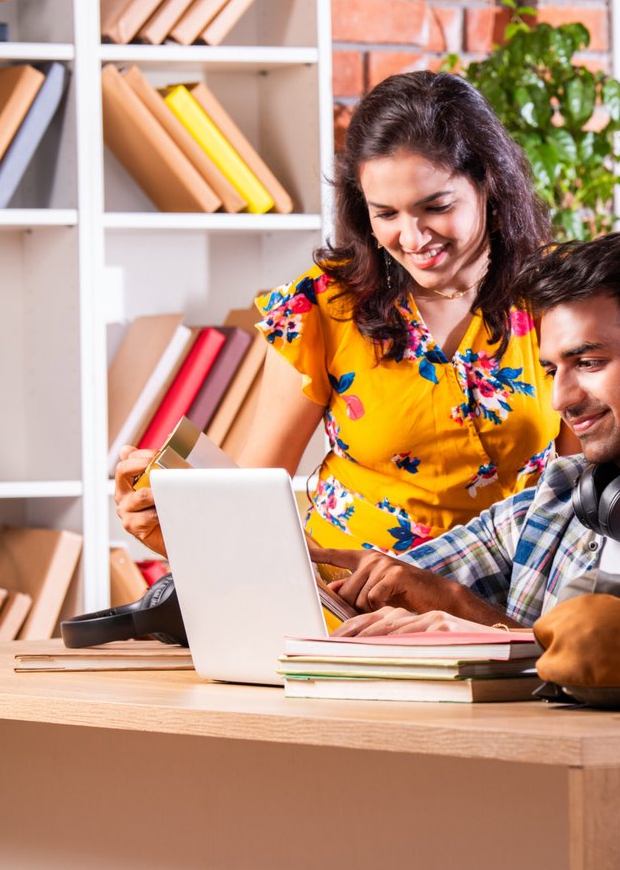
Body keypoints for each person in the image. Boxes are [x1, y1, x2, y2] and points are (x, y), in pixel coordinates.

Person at [113, 71, 572, 556]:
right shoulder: (321, 307)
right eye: (387, 214)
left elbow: (588, 488)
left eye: (435, 207)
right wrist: (169, 526)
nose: (413, 239)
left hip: (505, 598)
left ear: (489, 183)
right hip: (348, 597)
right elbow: (253, 499)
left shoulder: (558, 294)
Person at [320, 231, 620, 633]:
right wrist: (346, 583)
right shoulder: (556, 495)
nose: (561, 399)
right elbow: (414, 584)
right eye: (552, 370)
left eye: (589, 363)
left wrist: (466, 614)